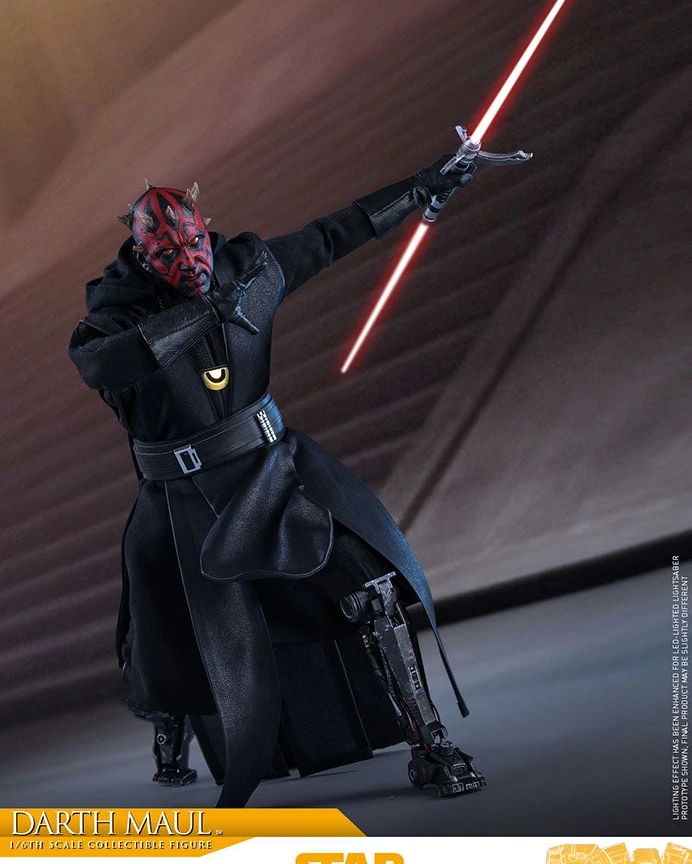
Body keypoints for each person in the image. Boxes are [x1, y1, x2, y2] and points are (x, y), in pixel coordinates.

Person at [69, 160, 486, 806]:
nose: (189, 259)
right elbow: (104, 364)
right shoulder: (110, 319)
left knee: (372, 590)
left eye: (194, 242)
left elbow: (331, 235)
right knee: (164, 641)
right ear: (143, 256)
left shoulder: (249, 269)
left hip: (271, 475)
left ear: (206, 229)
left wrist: (427, 183)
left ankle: (430, 746)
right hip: (183, 498)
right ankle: (169, 742)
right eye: (168, 252)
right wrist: (203, 316)